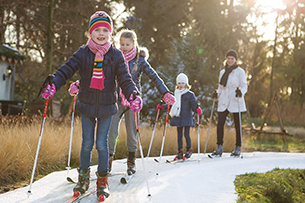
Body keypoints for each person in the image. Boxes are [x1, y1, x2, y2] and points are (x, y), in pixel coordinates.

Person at [41, 11, 142, 201]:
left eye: (105, 29)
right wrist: (54, 82)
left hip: (107, 107)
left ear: (110, 33)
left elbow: (125, 79)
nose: (101, 33)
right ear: (90, 32)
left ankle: (102, 180)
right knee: (87, 144)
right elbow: (67, 69)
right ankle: (83, 178)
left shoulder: (116, 55)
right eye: (97, 30)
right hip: (86, 105)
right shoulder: (82, 53)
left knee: (102, 144)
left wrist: (133, 94)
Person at [107, 29, 176, 175]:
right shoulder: (115, 57)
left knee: (132, 133)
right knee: (111, 131)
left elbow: (154, 77)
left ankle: (131, 161)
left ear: (134, 44)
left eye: (127, 44)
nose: (124, 47)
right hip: (116, 101)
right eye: (122, 44)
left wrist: (165, 93)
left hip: (133, 101)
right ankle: (108, 159)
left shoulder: (140, 60)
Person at [211, 49, 247, 157]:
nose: (230, 60)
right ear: (226, 59)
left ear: (235, 60)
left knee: (237, 125)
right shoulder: (222, 72)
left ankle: (238, 147)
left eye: (232, 59)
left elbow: (244, 85)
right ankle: (219, 147)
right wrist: (216, 93)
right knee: (220, 123)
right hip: (224, 100)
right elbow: (221, 87)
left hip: (235, 99)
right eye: (228, 58)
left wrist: (241, 92)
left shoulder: (240, 72)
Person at [168, 73, 202, 160]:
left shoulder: (190, 95)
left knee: (186, 134)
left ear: (186, 84)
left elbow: (193, 104)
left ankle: (189, 149)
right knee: (179, 135)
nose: (181, 85)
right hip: (178, 117)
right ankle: (180, 151)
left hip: (187, 117)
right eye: (179, 83)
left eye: (183, 83)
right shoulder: (176, 94)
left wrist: (197, 109)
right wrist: (163, 107)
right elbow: (172, 105)